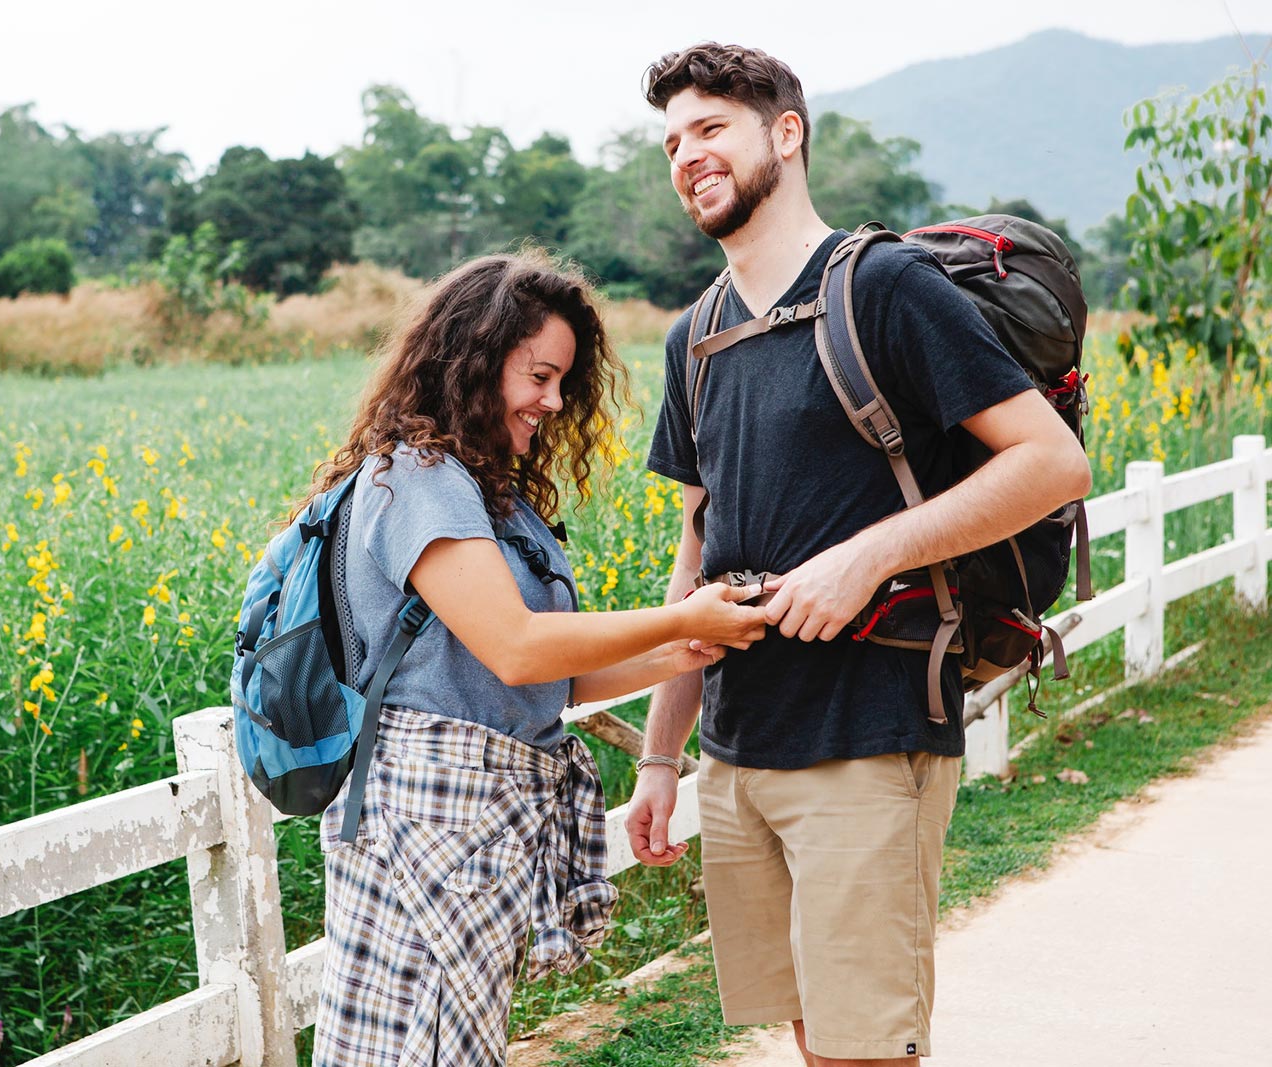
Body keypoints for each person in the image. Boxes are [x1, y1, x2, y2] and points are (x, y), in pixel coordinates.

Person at [622, 43, 1092, 1066]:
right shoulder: (693, 335)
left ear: (785, 134)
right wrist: (663, 754)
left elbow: (1052, 464)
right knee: (810, 1032)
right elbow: (698, 547)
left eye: (710, 129)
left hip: (869, 727)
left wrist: (865, 557)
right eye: (671, 141)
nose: (686, 156)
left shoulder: (883, 285)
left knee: (863, 1044)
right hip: (738, 743)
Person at [307, 250, 770, 1067]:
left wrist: (681, 647)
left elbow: (555, 676)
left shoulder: (491, 492)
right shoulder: (420, 477)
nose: (553, 403)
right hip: (429, 813)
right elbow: (518, 648)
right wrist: (676, 614)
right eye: (540, 376)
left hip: (476, 819)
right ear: (473, 361)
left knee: (458, 1041)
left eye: (564, 383)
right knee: (423, 1046)